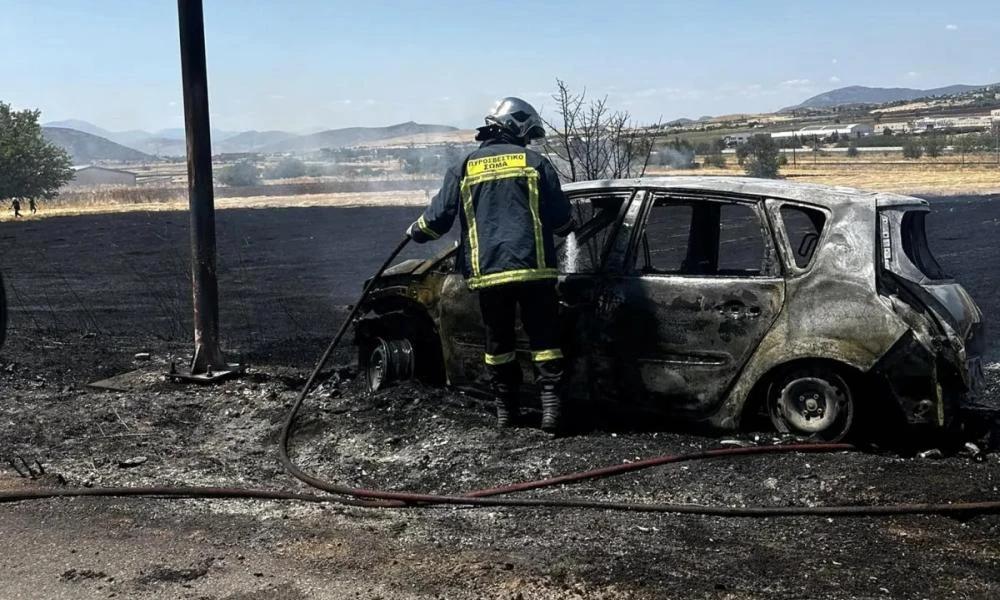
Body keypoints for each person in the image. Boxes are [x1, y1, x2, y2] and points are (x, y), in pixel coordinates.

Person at [406, 97, 576, 433]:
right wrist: (566, 225)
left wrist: (415, 231)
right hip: (534, 270)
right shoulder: (535, 162)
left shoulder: (465, 167)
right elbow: (561, 221)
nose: (528, 140)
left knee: (498, 344)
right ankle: (551, 411)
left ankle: (506, 411)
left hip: (489, 274)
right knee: (545, 340)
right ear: (518, 126)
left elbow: (437, 221)